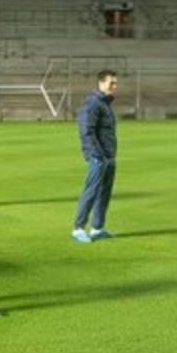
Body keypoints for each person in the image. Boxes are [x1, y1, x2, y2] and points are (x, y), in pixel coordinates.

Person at [72, 70, 119, 243]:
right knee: (91, 191)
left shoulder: (105, 104)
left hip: (109, 156)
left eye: (116, 83)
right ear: (101, 83)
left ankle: (97, 229)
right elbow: (86, 130)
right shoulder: (93, 103)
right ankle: (78, 229)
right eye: (111, 83)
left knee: (104, 193)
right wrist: (96, 155)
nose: (114, 86)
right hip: (99, 157)